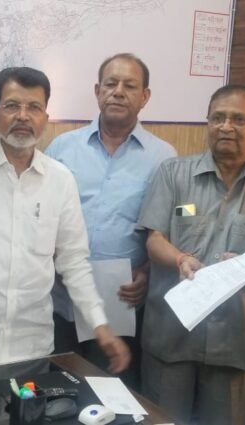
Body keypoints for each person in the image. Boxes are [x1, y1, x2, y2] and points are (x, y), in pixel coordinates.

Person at [0, 67, 130, 372]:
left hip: (33, 350)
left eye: (34, 107)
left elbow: (74, 262)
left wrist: (100, 324)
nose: (23, 116)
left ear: (45, 119)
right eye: (12, 106)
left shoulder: (61, 180)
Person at [137, 85, 245, 425]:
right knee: (162, 421)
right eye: (218, 118)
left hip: (235, 341)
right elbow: (154, 239)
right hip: (171, 333)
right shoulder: (173, 173)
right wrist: (179, 259)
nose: (226, 126)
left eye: (239, 119)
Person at [45, 53, 176, 388]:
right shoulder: (62, 148)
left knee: (111, 395)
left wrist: (148, 273)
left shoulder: (164, 158)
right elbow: (40, 215)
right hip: (61, 299)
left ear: (145, 96)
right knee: (58, 393)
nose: (118, 92)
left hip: (121, 303)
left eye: (129, 86)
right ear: (97, 91)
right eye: (110, 84)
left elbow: (170, 226)